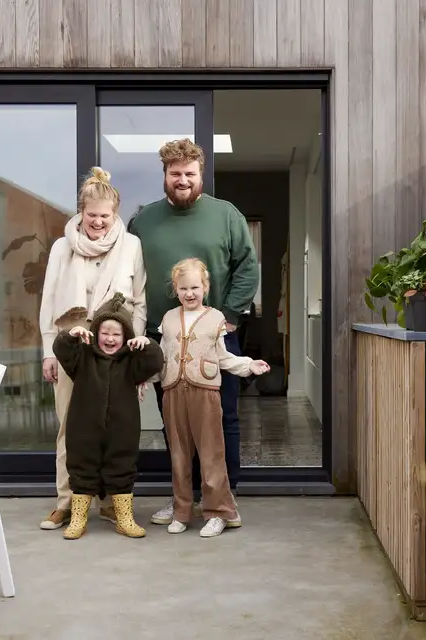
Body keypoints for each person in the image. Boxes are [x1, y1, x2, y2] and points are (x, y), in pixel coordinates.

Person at [127, 138, 259, 527]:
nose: (182, 180)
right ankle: (182, 499)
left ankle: (222, 498)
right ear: (164, 176)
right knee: (176, 422)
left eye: (189, 173)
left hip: (215, 335)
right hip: (162, 338)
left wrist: (231, 314)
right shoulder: (143, 221)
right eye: (175, 174)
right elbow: (131, 275)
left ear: (201, 175)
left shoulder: (226, 215)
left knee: (223, 419)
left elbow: (247, 267)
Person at [37, 167, 147, 531]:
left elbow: (140, 302)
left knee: (113, 424)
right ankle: (66, 502)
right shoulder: (61, 247)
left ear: (115, 214)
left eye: (105, 216)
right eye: (92, 215)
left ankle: (110, 503)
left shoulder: (131, 245)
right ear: (80, 212)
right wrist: (48, 352)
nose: (98, 222)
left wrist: (136, 348)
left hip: (116, 345)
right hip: (72, 346)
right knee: (71, 424)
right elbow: (50, 298)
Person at [157, 259, 269, 537]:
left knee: (211, 454)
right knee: (179, 455)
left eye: (195, 287)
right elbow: (161, 357)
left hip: (205, 393)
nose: (189, 293)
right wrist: (144, 380)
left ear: (205, 287)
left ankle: (218, 512)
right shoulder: (169, 319)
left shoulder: (216, 318)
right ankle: (182, 510)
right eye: (183, 288)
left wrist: (248, 365)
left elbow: (223, 357)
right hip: (173, 391)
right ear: (176, 289)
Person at [52, 292, 164, 540]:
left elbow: (154, 362)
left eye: (116, 334)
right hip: (84, 429)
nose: (110, 339)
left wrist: (148, 345)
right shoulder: (82, 357)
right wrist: (70, 335)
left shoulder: (131, 362)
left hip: (122, 429)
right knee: (81, 468)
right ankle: (79, 517)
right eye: (105, 333)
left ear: (126, 337)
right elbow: (61, 349)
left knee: (122, 466)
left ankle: (124, 517)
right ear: (95, 334)